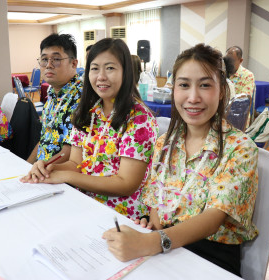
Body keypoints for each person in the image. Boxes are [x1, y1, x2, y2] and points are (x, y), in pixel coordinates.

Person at [102, 43, 258, 276]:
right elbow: (155, 202)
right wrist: (152, 227)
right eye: (184, 85)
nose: (193, 97)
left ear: (222, 91)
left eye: (205, 85)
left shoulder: (241, 148)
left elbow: (213, 218)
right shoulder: (165, 143)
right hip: (164, 247)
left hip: (210, 257)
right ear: (173, 89)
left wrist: (153, 241)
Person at [22, 38, 158, 220]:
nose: (101, 76)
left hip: (122, 214)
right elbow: (75, 164)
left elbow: (126, 184)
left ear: (126, 73)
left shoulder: (139, 118)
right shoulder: (87, 113)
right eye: (94, 69)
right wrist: (50, 167)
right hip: (83, 202)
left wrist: (66, 177)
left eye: (110, 68)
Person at [25, 33, 83, 165]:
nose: (48, 65)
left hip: (62, 174)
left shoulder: (81, 97)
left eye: (56, 59)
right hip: (42, 170)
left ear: (73, 63)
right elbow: (44, 139)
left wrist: (40, 169)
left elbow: (70, 150)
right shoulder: (52, 93)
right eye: (44, 59)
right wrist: (27, 166)